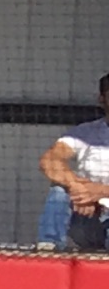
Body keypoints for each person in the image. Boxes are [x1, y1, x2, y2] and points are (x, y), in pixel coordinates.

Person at [39, 77, 109, 251]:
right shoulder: (85, 132)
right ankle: (49, 247)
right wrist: (77, 187)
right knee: (59, 189)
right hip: (87, 214)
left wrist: (99, 191)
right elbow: (50, 159)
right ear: (102, 98)